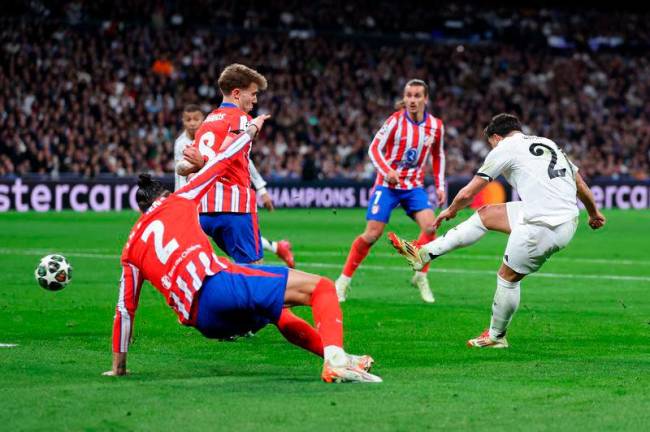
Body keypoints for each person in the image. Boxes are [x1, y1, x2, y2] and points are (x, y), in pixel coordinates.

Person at [105, 115, 381, 383]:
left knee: (276, 312)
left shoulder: (130, 248)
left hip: (205, 322)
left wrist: (119, 368)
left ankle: (340, 357)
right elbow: (223, 161)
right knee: (322, 288)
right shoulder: (179, 200)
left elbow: (125, 309)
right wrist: (249, 131)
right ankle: (335, 364)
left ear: (141, 211)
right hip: (219, 285)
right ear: (163, 197)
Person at [388, 113, 606, 348]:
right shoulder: (547, 143)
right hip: (563, 217)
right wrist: (594, 213)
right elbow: (580, 185)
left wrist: (450, 211)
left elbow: (468, 192)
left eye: (490, 143)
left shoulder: (505, 148)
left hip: (543, 224)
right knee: (486, 215)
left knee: (508, 278)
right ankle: (424, 254)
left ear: (495, 137)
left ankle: (496, 336)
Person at [335, 79, 446, 303]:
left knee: (431, 226)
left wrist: (440, 185)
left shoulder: (436, 125)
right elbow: (373, 148)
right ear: (404, 98)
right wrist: (387, 171)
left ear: (426, 99)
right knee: (372, 234)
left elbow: (438, 155)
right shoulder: (395, 121)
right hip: (388, 186)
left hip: (414, 186)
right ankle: (343, 281)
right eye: (409, 95)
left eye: (417, 96)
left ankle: (420, 276)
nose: (412, 100)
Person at [174, 102, 295, 267]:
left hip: (216, 196)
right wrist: (180, 198)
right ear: (182, 121)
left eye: (196, 119)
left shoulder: (214, 132)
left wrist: (261, 188)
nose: (193, 123)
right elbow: (180, 174)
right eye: (188, 120)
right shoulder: (181, 143)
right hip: (195, 198)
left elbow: (241, 159)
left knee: (232, 245)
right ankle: (277, 248)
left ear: (204, 120)